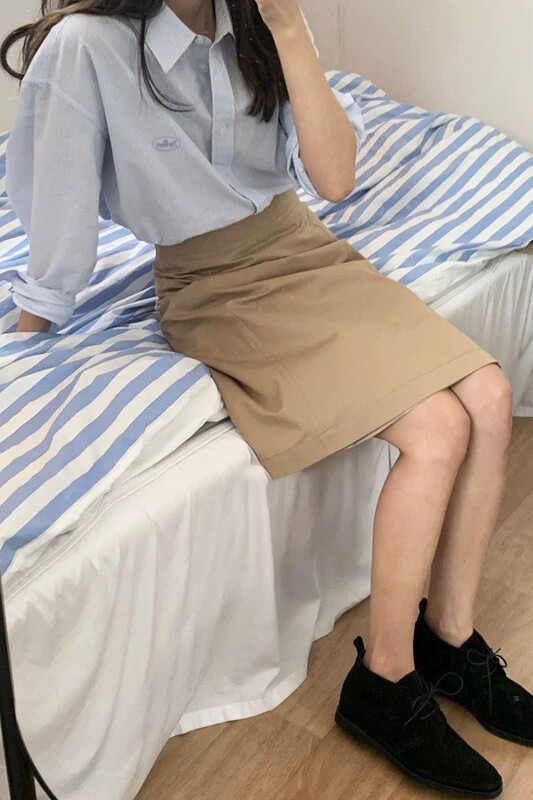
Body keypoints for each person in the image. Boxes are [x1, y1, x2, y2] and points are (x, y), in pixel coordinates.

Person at [1, 1, 531, 796]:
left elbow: (335, 180)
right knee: (437, 431)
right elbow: (59, 215)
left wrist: (285, 26)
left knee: (488, 397)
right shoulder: (89, 45)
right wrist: (28, 339)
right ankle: (384, 684)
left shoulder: (262, 22)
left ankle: (448, 641)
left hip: (302, 247)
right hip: (212, 286)